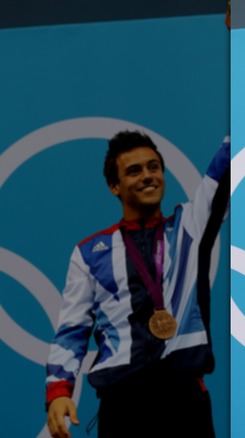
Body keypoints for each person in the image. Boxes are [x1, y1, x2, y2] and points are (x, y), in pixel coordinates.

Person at [45, 131, 230, 438]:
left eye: (153, 167)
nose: (147, 176)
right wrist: (59, 390)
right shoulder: (90, 253)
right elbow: (72, 330)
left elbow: (223, 168)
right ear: (114, 186)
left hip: (185, 402)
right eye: (134, 171)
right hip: (123, 405)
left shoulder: (190, 228)